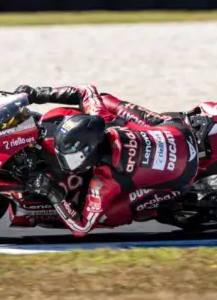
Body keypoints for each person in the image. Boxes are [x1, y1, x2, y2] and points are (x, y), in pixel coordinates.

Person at [12, 84, 203, 237]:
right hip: (177, 130)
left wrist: (52, 192)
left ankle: (154, 208)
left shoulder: (105, 180)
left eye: (72, 158)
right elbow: (86, 91)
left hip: (181, 173)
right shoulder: (101, 118)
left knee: (108, 216)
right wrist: (38, 94)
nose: (67, 165)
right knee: (103, 100)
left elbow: (82, 227)